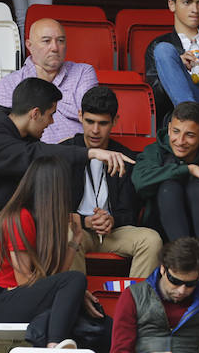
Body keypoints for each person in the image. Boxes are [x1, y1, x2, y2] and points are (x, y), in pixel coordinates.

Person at [0, 78, 132, 274]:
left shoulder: (23, 139)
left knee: (53, 228)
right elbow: (31, 156)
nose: (51, 122)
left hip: (10, 221)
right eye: (50, 115)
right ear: (35, 113)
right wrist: (90, 153)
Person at [0, 156, 101, 351]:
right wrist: (66, 291)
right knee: (75, 281)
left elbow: (52, 279)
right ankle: (54, 346)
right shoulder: (20, 217)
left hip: (17, 297)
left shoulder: (37, 220)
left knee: (98, 324)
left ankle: (52, 342)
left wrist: (76, 239)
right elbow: (24, 280)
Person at [61, 86, 163, 278]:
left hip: (114, 231)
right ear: (80, 116)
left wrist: (112, 220)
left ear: (115, 121)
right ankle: (74, 300)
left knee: (152, 240)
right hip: (78, 229)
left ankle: (134, 303)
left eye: (103, 123)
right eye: (89, 121)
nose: (95, 130)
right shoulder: (64, 153)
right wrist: (85, 221)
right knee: (65, 235)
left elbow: (130, 213)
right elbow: (52, 211)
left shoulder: (127, 157)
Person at [132, 102, 199, 278]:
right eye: (176, 131)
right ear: (168, 128)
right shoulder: (155, 151)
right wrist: (188, 169)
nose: (180, 141)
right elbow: (139, 181)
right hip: (163, 230)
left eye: (189, 135)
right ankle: (184, 262)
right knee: (169, 187)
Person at [0, 18, 98, 144]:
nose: (54, 47)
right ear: (29, 45)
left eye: (60, 41)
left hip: (77, 153)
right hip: (32, 157)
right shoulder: (10, 83)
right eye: (46, 41)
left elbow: (91, 116)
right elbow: (5, 131)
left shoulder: (83, 72)